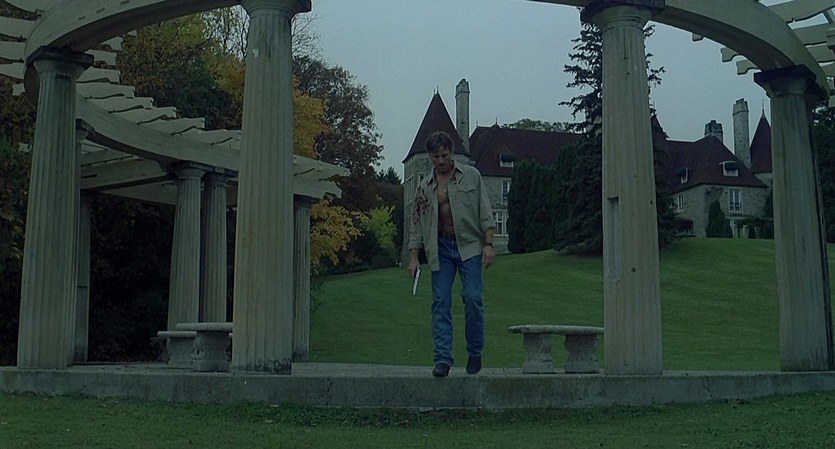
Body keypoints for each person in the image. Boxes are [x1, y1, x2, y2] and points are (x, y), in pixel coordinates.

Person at [407, 130, 495, 377]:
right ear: (430, 157)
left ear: (451, 153)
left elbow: (485, 211)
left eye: (444, 155)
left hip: (469, 244)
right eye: (436, 157)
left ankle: (475, 351)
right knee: (441, 302)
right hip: (441, 248)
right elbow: (416, 224)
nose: (441, 161)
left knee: (472, 297)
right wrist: (413, 257)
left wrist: (489, 244)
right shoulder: (424, 188)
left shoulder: (471, 176)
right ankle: (442, 359)